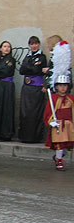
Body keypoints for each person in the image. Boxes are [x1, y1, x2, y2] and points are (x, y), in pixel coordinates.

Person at [43, 41, 73, 171]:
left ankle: (58, 156)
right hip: (58, 123)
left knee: (67, 143)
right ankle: (59, 160)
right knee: (59, 143)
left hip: (68, 124)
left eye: (65, 85)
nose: (63, 88)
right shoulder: (53, 98)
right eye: (60, 85)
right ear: (56, 87)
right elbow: (48, 111)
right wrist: (50, 121)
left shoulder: (71, 99)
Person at [19, 36, 48, 143]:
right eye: (32, 44)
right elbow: (22, 70)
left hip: (36, 88)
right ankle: (24, 136)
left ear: (39, 44)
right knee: (25, 112)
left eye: (36, 43)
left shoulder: (42, 57)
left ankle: (35, 137)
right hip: (27, 88)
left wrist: (30, 68)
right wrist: (32, 67)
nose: (34, 46)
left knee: (35, 113)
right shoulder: (27, 56)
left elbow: (38, 70)